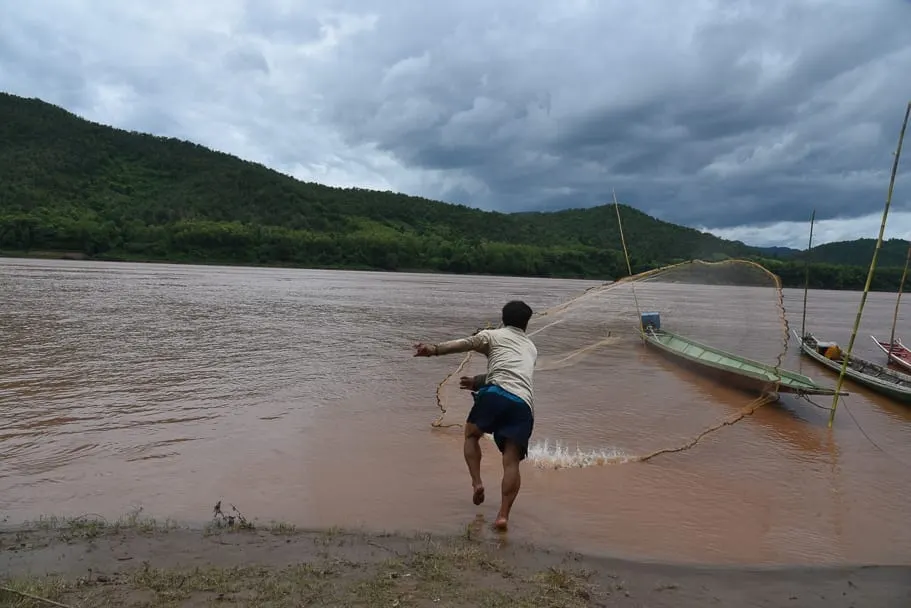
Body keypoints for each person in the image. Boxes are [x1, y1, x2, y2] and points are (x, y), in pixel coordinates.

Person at [413, 300, 537, 531]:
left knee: (471, 434)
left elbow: (465, 344)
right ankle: (502, 516)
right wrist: (478, 381)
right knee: (511, 461)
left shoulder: (492, 335)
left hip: (496, 392)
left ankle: (477, 482)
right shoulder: (531, 347)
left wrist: (434, 349)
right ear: (526, 323)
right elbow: (513, 372)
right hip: (523, 404)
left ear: (503, 318)